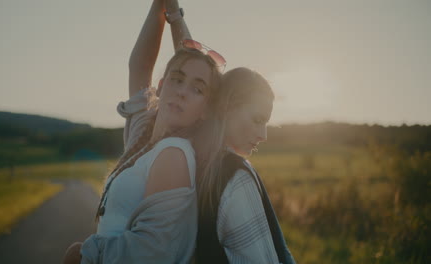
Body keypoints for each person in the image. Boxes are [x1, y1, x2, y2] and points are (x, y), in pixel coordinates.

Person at [62, 0, 223, 263]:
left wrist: (84, 254)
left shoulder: (175, 153)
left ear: (205, 109)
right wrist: (164, 5)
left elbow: (154, 252)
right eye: (177, 80)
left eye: (197, 89)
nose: (182, 91)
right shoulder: (145, 136)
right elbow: (140, 67)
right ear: (160, 86)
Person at [165, 2, 297, 263]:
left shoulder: (189, 158)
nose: (264, 134)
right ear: (226, 108)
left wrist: (174, 16)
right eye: (258, 119)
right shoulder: (235, 176)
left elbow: (187, 61)